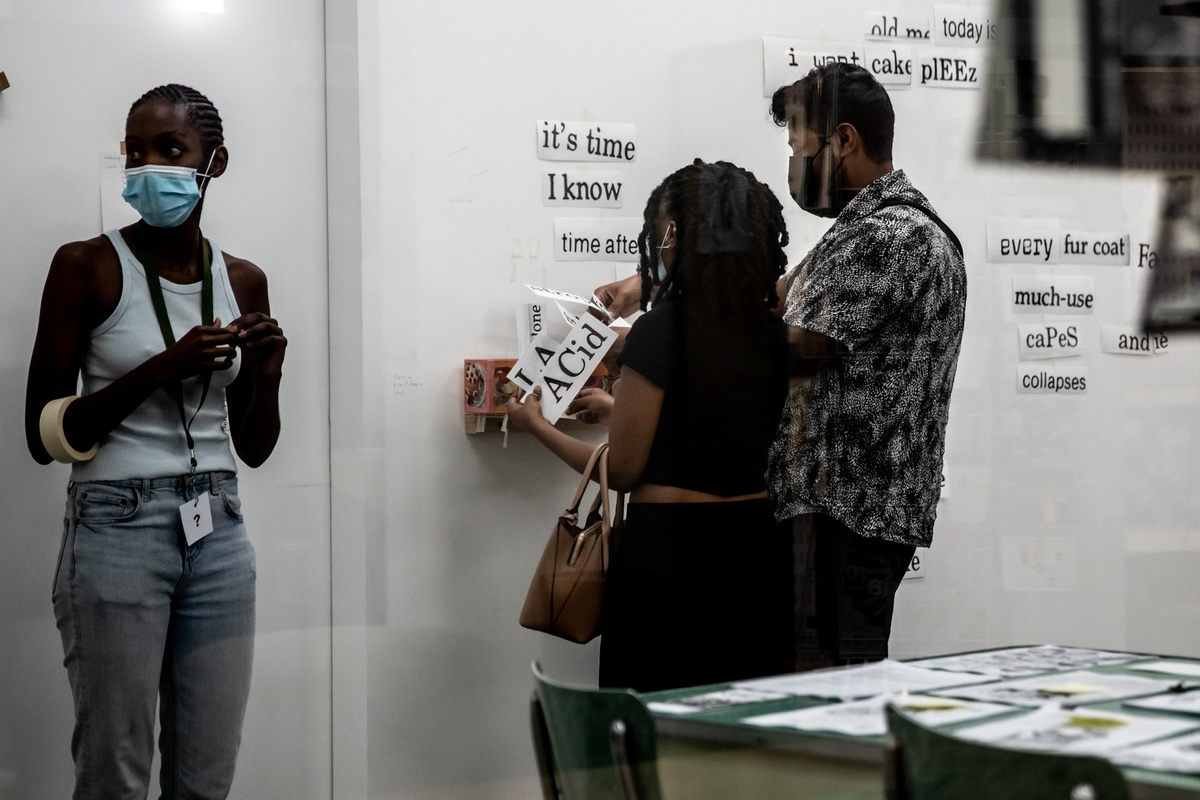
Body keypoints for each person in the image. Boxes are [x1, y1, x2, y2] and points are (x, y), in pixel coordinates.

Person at [24, 84, 286, 799]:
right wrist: (163, 367)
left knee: (206, 777)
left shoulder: (242, 280)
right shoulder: (86, 265)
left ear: (215, 163)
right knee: (116, 772)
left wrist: (268, 372)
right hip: (116, 524)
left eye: (171, 151)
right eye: (134, 152)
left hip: (219, 530)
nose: (147, 168)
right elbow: (43, 434)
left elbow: (256, 447)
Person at [509, 159, 793, 693]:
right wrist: (622, 412)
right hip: (753, 552)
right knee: (735, 728)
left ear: (677, 235)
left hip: (670, 561)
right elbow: (715, 428)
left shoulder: (659, 331)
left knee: (653, 736)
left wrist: (534, 424)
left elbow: (623, 469)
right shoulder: (772, 332)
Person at [767, 63, 966, 666]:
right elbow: (770, 298)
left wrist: (651, 354)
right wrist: (652, 282)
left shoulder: (891, 235)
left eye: (799, 145)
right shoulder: (864, 231)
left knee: (825, 705)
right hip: (843, 520)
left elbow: (793, 347)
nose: (795, 163)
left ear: (843, 140)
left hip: (846, 519)